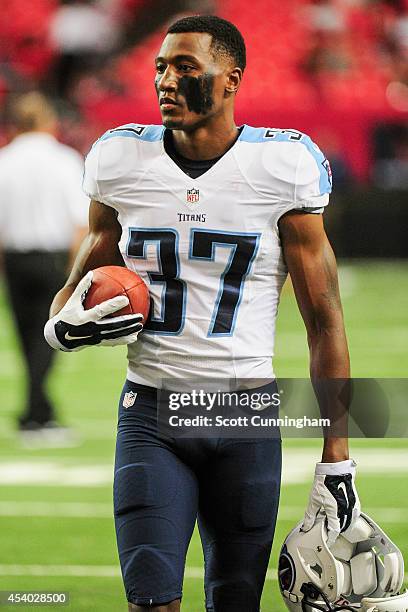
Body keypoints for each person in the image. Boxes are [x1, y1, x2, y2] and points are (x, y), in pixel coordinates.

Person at [44, 15, 360, 612]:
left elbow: (325, 321)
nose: (166, 80)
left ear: (231, 78)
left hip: (245, 412)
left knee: (235, 600)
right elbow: (75, 286)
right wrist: (60, 328)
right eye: (160, 66)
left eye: (186, 67)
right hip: (152, 412)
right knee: (152, 601)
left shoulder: (282, 166)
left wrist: (336, 457)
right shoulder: (119, 159)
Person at [0, 91, 88, 444]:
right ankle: (36, 413)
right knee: (51, 337)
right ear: (49, 122)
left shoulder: (5, 160)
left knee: (26, 339)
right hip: (53, 259)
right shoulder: (64, 160)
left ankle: (37, 412)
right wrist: (78, 268)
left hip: (16, 259)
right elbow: (81, 222)